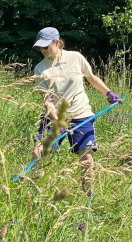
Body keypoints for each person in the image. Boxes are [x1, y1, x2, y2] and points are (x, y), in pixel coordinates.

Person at [31, 27, 121, 196]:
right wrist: (58, 121)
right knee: (38, 152)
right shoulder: (40, 69)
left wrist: (108, 93)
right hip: (55, 116)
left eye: (46, 46)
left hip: (81, 114)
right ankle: (35, 192)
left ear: (58, 43)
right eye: (40, 47)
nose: (43, 50)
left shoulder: (75, 57)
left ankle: (88, 196)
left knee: (86, 158)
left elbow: (91, 77)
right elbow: (47, 101)